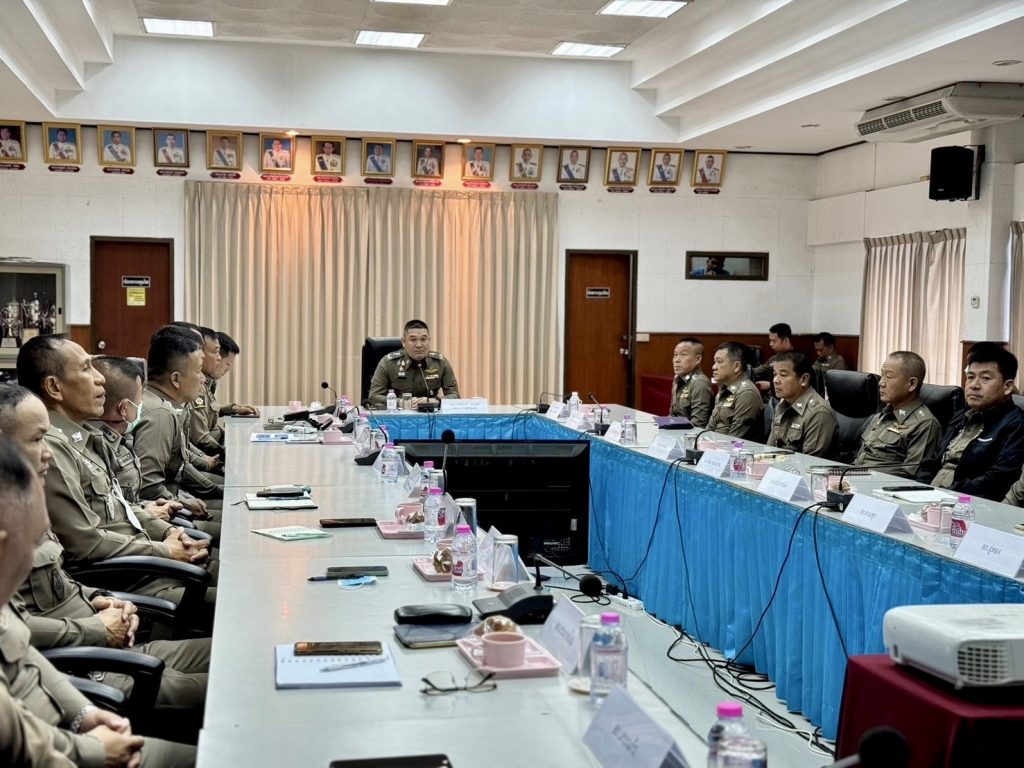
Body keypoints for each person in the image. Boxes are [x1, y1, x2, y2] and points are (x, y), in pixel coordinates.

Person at [0, 384, 211, 725]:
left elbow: (62, 576)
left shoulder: (25, 497)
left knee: (241, 655)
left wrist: (100, 598)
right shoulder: (16, 510)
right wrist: (95, 629)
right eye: (37, 440)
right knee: (234, 686)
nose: (48, 452)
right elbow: (17, 633)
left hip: (107, 639)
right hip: (86, 668)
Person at [15, 336, 213, 606]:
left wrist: (166, 532)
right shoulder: (52, 449)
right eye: (86, 369)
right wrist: (166, 550)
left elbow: (122, 508)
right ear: (54, 387)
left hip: (148, 564)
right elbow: (85, 543)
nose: (100, 379)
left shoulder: (87, 437)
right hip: (132, 583)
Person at [916, 345, 1024, 501]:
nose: (974, 385)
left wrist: (948, 495)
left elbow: (998, 479)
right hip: (928, 497)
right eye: (971, 377)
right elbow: (932, 461)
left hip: (967, 503)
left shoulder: (1016, 425)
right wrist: (918, 490)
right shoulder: (961, 416)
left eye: (985, 378)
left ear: (1007, 386)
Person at [853, 351, 941, 478]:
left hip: (879, 486)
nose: (881, 383)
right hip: (853, 479)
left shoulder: (924, 424)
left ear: (912, 384)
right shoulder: (882, 414)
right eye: (882, 375)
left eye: (888, 376)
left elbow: (911, 477)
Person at [368, 319, 460, 407]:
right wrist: (400, 402)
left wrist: (436, 401)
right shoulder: (389, 363)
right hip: (399, 414)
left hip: (431, 413)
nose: (419, 345)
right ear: (403, 342)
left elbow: (455, 396)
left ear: (429, 341)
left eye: (423, 339)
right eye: (413, 340)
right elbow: (374, 396)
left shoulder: (440, 362)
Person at [766, 352, 838, 458]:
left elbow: (809, 462)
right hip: (780, 466)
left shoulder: (819, 413)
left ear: (804, 379)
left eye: (783, 375)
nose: (776, 380)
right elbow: (769, 451)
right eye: (774, 374)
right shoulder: (781, 405)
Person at [707, 342, 762, 439]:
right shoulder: (724, 390)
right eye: (714, 362)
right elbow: (708, 430)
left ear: (736, 366)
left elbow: (734, 439)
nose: (713, 367)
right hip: (712, 445)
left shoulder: (746, 393)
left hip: (729, 447)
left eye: (719, 362)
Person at [669, 338, 712, 427]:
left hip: (691, 434)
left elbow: (697, 424)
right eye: (675, 355)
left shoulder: (700, 383)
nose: (677, 360)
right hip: (677, 431)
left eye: (683, 355)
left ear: (697, 359)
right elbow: (672, 416)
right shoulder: (677, 380)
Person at [752, 322, 793, 392]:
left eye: (774, 341)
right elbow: (759, 370)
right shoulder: (775, 357)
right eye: (770, 340)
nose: (770, 344)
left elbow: (794, 384)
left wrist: (770, 385)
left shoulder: (796, 359)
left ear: (786, 340)